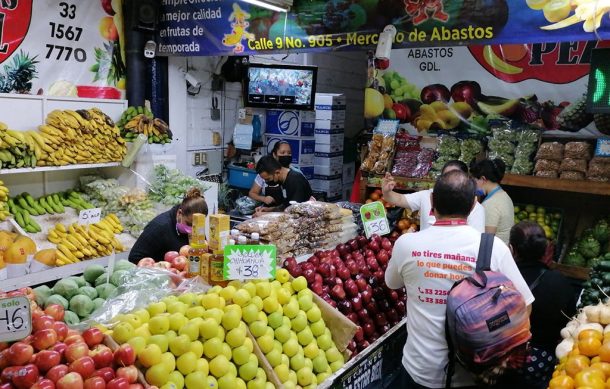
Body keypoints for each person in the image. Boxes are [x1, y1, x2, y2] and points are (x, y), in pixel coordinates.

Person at [385, 170, 534, 388]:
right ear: (474, 205)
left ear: (432, 202)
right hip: (470, 374)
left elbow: (392, 283)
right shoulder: (492, 248)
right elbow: (525, 305)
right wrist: (493, 332)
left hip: (419, 370)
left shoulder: (406, 244)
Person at [497, 221, 577, 388]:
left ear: (511, 249)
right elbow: (569, 320)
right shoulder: (560, 282)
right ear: (545, 250)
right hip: (541, 363)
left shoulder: (500, 279)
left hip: (501, 361)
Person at [382, 160, 485, 232]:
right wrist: (387, 192)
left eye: (455, 176)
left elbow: (476, 243)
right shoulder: (426, 195)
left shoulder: (477, 209)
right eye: (446, 176)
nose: (450, 180)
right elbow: (399, 199)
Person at [128, 188, 208, 263]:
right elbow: (134, 257)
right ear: (180, 213)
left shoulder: (197, 225)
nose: (192, 229)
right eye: (189, 224)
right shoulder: (159, 226)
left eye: (197, 226)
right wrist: (161, 268)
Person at [470, 158, 514, 244]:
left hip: (495, 254)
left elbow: (486, 241)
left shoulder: (490, 204)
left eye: (474, 181)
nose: (473, 185)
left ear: (483, 179)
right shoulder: (504, 195)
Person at [248, 141, 299, 207]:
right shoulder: (264, 173)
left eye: (289, 153)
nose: (286, 155)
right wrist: (264, 199)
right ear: (274, 155)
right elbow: (252, 193)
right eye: (282, 153)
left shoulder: (296, 175)